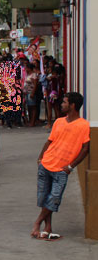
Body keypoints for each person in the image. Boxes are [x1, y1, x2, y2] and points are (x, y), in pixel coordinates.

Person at [30, 92, 90, 240]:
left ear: (73, 105)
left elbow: (85, 149)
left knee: (54, 198)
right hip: (47, 164)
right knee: (44, 197)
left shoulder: (83, 125)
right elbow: (49, 141)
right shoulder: (59, 122)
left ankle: (37, 222)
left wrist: (71, 166)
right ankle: (48, 227)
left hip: (62, 169)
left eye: (64, 102)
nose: (61, 104)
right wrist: (40, 158)